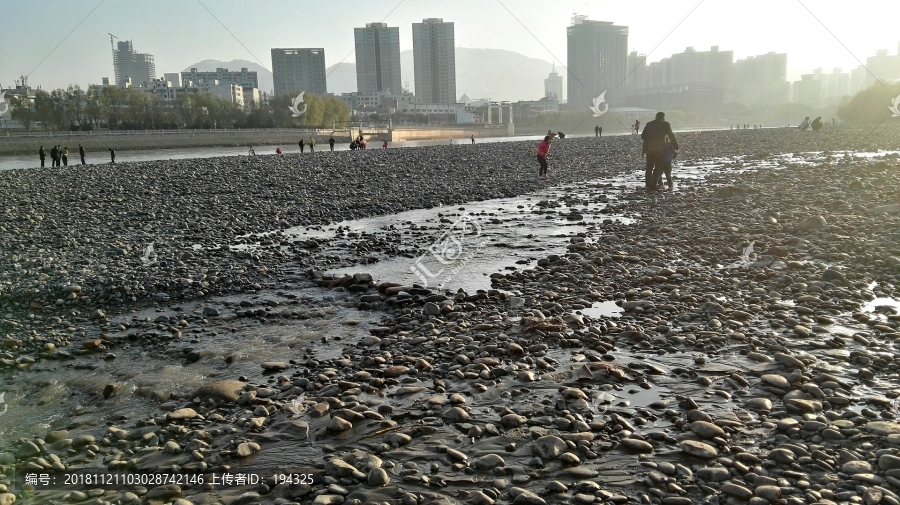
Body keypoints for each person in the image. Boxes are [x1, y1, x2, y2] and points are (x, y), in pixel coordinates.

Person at [641, 111, 679, 191]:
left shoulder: (649, 124)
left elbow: (643, 136)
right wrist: (676, 146)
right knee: (658, 167)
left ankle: (648, 185)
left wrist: (650, 140)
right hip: (660, 149)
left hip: (649, 148)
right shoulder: (666, 124)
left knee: (649, 167)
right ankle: (653, 185)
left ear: (656, 117)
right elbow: (671, 135)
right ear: (663, 117)